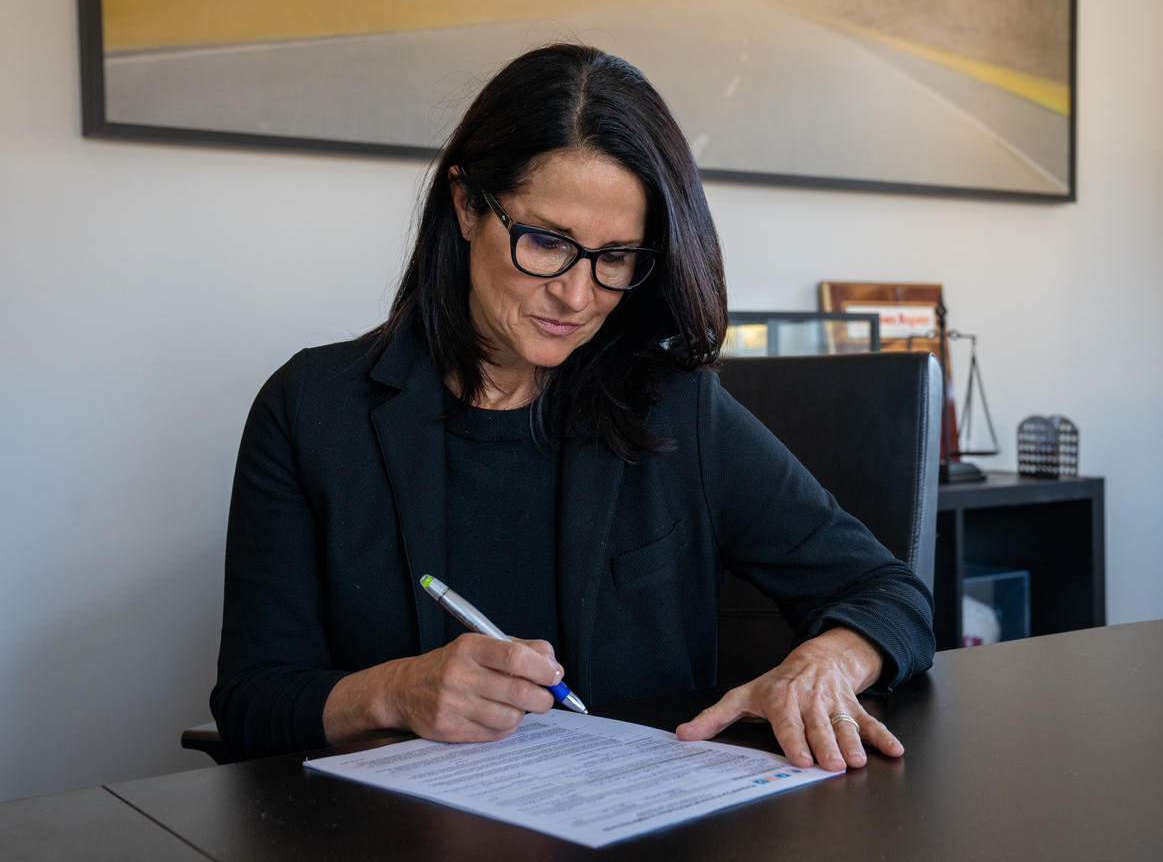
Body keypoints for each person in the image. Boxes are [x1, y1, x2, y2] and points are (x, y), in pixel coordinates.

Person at [212, 43, 934, 772]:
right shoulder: (312, 410)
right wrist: (395, 692)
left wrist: (826, 665)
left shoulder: (673, 409)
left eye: (616, 256)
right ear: (466, 205)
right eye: (547, 242)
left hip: (642, 828)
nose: (578, 297)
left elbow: (886, 591)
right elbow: (251, 703)